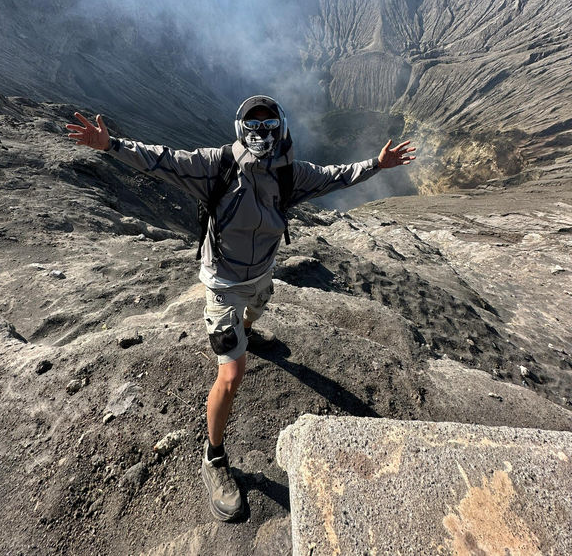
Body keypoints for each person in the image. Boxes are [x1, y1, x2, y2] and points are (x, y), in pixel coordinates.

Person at [66, 95, 415, 521]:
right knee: (231, 374)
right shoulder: (218, 166)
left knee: (258, 311)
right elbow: (163, 159)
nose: (263, 135)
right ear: (241, 130)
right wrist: (111, 146)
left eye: (270, 127)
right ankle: (213, 458)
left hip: (261, 275)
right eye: (256, 127)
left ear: (281, 129)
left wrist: (376, 165)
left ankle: (247, 331)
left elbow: (334, 175)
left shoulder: (291, 175)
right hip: (223, 285)